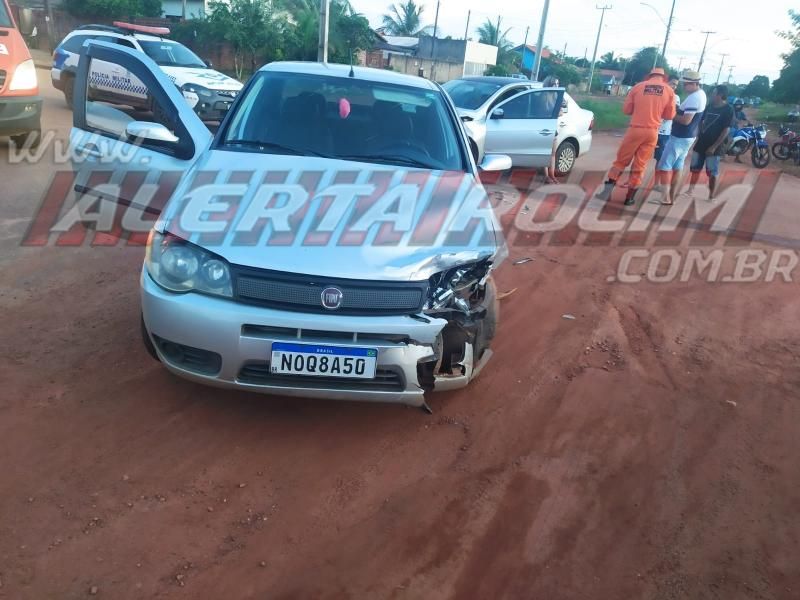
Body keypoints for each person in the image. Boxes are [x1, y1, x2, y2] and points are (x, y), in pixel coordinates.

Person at [600, 67, 677, 205]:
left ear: (649, 75)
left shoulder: (638, 87)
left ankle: (606, 193)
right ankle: (629, 198)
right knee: (640, 165)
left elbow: (626, 110)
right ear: (663, 78)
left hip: (635, 130)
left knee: (620, 162)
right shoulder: (669, 91)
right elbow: (669, 115)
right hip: (652, 132)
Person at [654, 70, 707, 205]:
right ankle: (670, 197)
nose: (684, 87)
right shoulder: (700, 95)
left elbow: (686, 120)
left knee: (664, 165)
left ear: (695, 83)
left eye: (686, 84)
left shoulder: (695, 97)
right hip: (688, 136)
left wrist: (670, 114)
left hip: (680, 136)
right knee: (678, 166)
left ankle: (665, 198)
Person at [686, 85, 734, 200]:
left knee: (712, 172)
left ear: (720, 95)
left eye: (714, 93)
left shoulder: (728, 110)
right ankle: (690, 190)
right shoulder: (710, 106)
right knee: (695, 168)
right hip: (701, 142)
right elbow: (701, 120)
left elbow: (726, 129)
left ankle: (711, 195)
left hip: (714, 146)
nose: (712, 95)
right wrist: (699, 132)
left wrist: (714, 147)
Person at [654, 77, 680, 162]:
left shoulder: (676, 97)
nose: (674, 86)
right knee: (643, 153)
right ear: (666, 82)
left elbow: (674, 112)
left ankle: (657, 175)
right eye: (672, 83)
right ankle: (636, 172)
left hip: (665, 132)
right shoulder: (658, 94)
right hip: (652, 129)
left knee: (661, 158)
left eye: (676, 85)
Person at [542, 76, 562, 184]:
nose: (557, 86)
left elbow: (561, 112)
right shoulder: (544, 97)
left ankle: (552, 175)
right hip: (546, 129)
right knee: (546, 153)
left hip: (554, 129)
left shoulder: (557, 97)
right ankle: (546, 176)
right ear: (550, 85)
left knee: (553, 153)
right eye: (555, 84)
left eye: (558, 84)